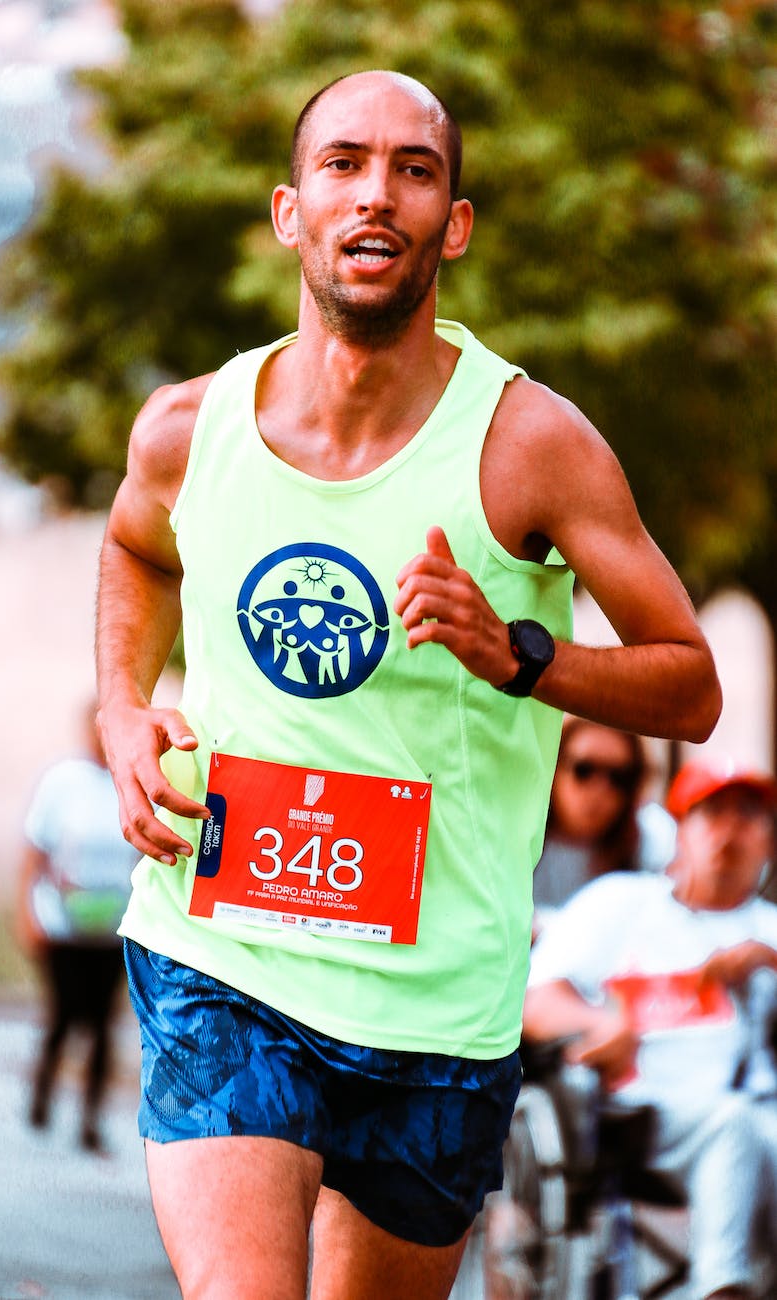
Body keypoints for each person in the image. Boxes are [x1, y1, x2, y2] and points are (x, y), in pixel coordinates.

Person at [94, 70, 721, 1300]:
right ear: (290, 211)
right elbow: (132, 544)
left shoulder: (530, 444)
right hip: (224, 952)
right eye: (343, 164)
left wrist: (521, 654)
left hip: (437, 1001)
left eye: (413, 169)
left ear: (456, 223)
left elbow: (690, 685)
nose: (376, 194)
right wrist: (123, 703)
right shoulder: (189, 427)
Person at [524, 757, 777, 1300]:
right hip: (641, 1114)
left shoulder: (768, 931)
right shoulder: (624, 904)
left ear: (769, 841)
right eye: (714, 813)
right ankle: (720, 1288)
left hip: (756, 1109)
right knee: (734, 1126)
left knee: (752, 1128)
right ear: (680, 830)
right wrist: (602, 1020)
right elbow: (537, 1001)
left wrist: (768, 962)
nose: (731, 830)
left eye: (749, 815)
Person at [17, 700, 139, 1152]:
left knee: (105, 1024)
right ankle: (43, 1093)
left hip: (111, 929)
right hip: (63, 925)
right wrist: (27, 914)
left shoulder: (131, 784)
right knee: (65, 1016)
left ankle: (91, 1117)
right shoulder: (61, 782)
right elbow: (34, 852)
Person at [532, 717, 676, 929]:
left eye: (618, 777)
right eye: (584, 770)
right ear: (553, 765)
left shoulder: (650, 836)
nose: (599, 790)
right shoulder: (520, 832)